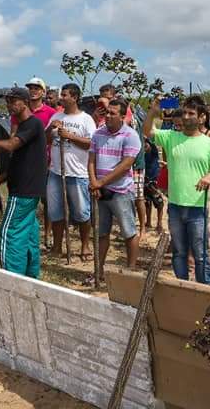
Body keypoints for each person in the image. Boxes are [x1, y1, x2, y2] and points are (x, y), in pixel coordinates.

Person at [143, 95, 210, 284]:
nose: (186, 117)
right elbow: (148, 131)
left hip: (197, 208)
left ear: (202, 117)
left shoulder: (209, 143)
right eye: (185, 112)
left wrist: (209, 176)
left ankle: (204, 291)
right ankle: (183, 286)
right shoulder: (171, 137)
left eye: (191, 113)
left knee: (201, 254)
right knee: (179, 252)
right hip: (175, 206)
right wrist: (153, 111)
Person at [0, 88, 47, 278]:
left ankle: (10, 279)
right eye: (8, 101)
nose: (9, 105)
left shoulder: (32, 124)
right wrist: (0, 179)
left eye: (13, 101)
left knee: (9, 233)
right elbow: (18, 160)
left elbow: (11, 146)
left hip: (23, 191)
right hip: (29, 190)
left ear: (25, 102)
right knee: (28, 235)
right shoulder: (23, 127)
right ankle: (30, 277)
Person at [88, 98, 142, 281]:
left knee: (128, 231)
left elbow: (126, 166)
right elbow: (91, 160)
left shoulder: (131, 135)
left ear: (122, 116)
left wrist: (100, 183)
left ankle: (131, 270)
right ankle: (98, 270)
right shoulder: (97, 134)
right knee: (101, 232)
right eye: (107, 112)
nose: (108, 116)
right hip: (100, 192)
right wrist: (94, 182)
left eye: (113, 113)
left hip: (121, 192)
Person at [47, 83, 97, 260]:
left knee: (82, 211)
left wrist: (70, 136)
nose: (62, 97)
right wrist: (50, 128)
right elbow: (46, 140)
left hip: (77, 173)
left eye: (65, 95)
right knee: (55, 211)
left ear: (75, 97)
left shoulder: (86, 119)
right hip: (56, 172)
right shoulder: (56, 116)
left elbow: (91, 144)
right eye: (62, 94)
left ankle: (85, 246)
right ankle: (57, 246)